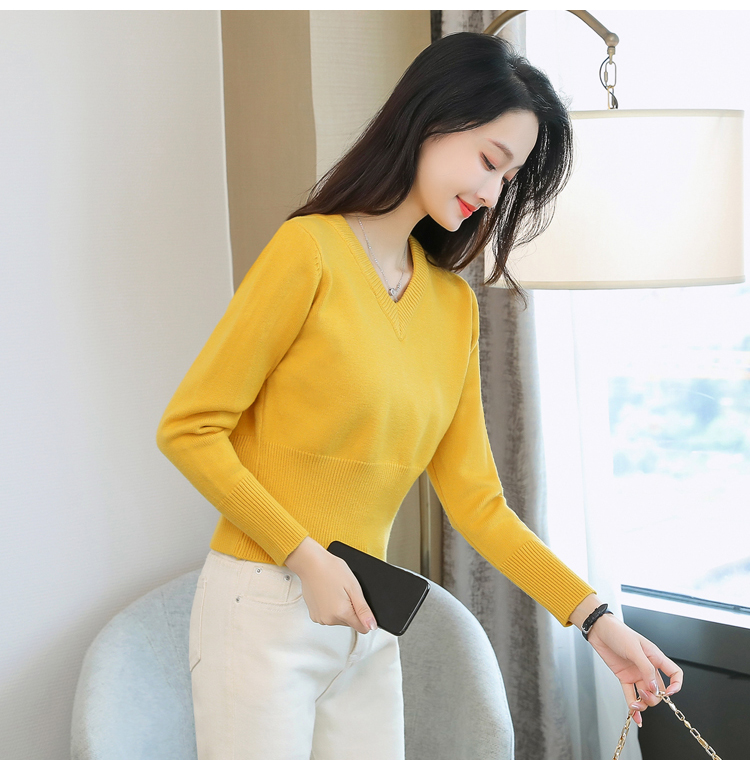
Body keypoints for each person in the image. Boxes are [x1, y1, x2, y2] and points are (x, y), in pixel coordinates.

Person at [156, 31, 682, 760]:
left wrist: (595, 620)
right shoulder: (309, 252)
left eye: (509, 178)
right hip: (261, 604)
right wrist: (304, 557)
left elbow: (479, 502)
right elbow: (189, 429)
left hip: (366, 615)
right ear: (433, 118)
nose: (493, 193)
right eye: (490, 161)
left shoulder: (453, 305)